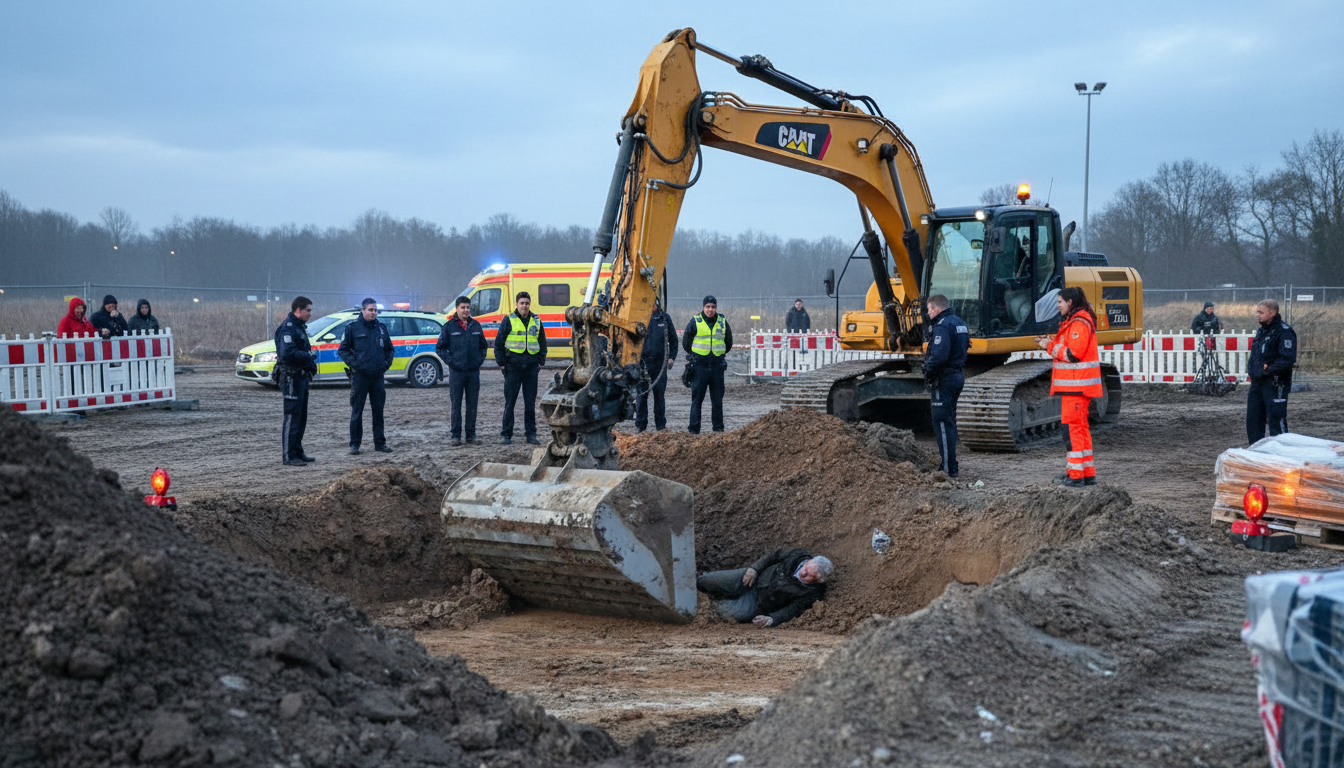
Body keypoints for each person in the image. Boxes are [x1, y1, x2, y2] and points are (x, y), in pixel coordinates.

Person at [1036, 286, 1102, 487]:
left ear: (1070, 302)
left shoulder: (1079, 323)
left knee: (1072, 432)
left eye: (1060, 302)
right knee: (1080, 430)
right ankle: (1086, 474)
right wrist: (1048, 342)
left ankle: (1075, 477)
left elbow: (1073, 355)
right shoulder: (1076, 321)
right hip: (1077, 387)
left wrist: (1048, 346)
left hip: (1076, 388)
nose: (1057, 306)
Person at [695, 548, 832, 628]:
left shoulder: (813, 593)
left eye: (809, 576)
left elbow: (793, 610)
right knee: (705, 580)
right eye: (806, 567)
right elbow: (774, 555)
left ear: (817, 580)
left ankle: (699, 604)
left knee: (717, 612)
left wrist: (772, 619)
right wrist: (754, 569)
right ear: (808, 561)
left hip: (758, 603)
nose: (803, 573)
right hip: (752, 578)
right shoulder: (798, 555)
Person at [338, 298, 395, 455]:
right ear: (362, 310)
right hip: (360, 377)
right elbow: (343, 350)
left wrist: (385, 365)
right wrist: (356, 364)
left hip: (377, 376)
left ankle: (380, 443)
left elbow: (390, 349)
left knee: (378, 412)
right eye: (370, 310)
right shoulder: (352, 328)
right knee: (357, 411)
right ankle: (355, 445)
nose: (373, 313)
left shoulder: (381, 329)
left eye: (375, 310)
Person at [924, 294, 970, 477]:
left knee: (942, 423)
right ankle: (950, 465)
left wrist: (929, 373)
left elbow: (939, 355)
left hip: (944, 378)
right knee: (949, 421)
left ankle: (948, 470)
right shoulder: (960, 322)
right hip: (957, 374)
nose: (928, 313)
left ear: (936, 308)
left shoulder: (942, 325)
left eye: (928, 309)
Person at [494, 291, 548, 445]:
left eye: (527, 303)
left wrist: (540, 360)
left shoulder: (536, 320)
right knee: (510, 403)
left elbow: (542, 342)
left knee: (530, 404)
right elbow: (499, 343)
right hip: (513, 367)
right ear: (517, 304)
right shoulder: (509, 319)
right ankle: (506, 434)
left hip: (531, 368)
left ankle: (531, 435)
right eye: (522, 303)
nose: (524, 306)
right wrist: (502, 362)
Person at [437, 295, 488, 447]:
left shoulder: (476, 326)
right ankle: (456, 436)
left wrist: (479, 361)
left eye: (468, 307)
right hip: (456, 373)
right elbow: (440, 348)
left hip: (473, 372)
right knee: (456, 405)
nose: (466, 310)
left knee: (472, 405)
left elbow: (483, 346)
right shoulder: (449, 327)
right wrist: (451, 362)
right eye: (463, 307)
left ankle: (471, 435)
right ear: (457, 309)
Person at [275, 297, 318, 466]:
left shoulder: (299, 328)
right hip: (291, 377)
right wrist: (308, 356)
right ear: (298, 310)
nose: (310, 313)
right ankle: (288, 455)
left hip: (301, 377)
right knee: (292, 416)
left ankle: (297, 451)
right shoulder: (288, 329)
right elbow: (287, 354)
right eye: (308, 310)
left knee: (301, 417)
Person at [1246, 299, 1297, 443]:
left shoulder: (1284, 332)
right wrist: (1254, 370)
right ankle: (1256, 452)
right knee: (1253, 420)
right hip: (1257, 383)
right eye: (1257, 312)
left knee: (1276, 420)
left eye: (1261, 312)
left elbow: (1287, 359)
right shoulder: (1261, 331)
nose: (1258, 315)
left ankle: (1281, 454)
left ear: (1272, 313)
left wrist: (1269, 370)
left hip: (1275, 383)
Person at [683, 295, 732, 434]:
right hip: (700, 367)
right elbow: (686, 342)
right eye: (708, 307)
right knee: (697, 400)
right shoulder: (696, 321)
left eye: (713, 307)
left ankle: (718, 428)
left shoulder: (722, 321)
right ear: (703, 307)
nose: (710, 309)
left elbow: (729, 341)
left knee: (717, 400)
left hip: (717, 366)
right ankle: (694, 429)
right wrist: (696, 355)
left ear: (716, 308)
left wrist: (719, 353)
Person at [635, 298, 677, 432]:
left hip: (660, 365)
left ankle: (661, 427)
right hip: (643, 364)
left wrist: (671, 358)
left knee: (659, 397)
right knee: (641, 396)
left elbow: (674, 340)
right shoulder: (640, 319)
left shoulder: (665, 319)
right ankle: (641, 427)